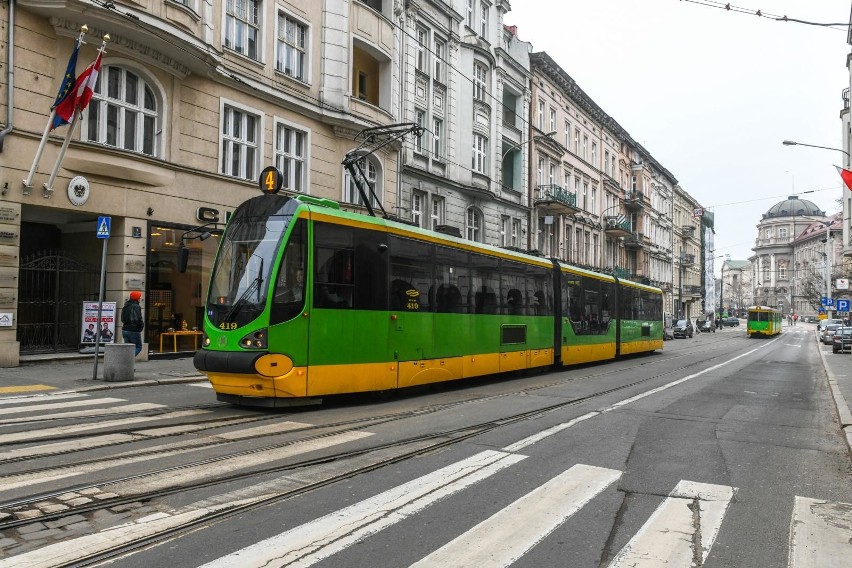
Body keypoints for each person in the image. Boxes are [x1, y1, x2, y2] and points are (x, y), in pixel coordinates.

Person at [121, 290, 144, 356]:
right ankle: (127, 360)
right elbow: (138, 318)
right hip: (133, 330)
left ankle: (126, 363)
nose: (140, 299)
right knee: (138, 347)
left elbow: (122, 318)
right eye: (139, 297)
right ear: (136, 298)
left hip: (125, 329)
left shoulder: (125, 306)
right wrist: (140, 327)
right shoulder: (136, 306)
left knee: (128, 348)